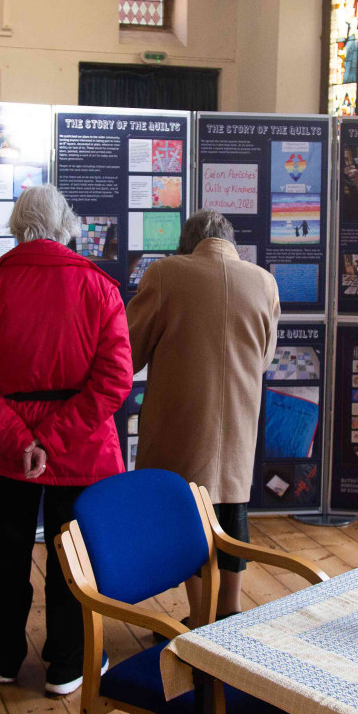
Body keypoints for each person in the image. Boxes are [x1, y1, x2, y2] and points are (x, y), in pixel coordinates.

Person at [0, 183, 132, 696]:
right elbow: (115, 380)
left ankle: (4, 657)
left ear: (16, 226)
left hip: (5, 446)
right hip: (81, 443)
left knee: (6, 554)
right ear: (64, 225)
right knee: (71, 554)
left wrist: (21, 440)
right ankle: (67, 664)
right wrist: (51, 440)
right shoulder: (100, 288)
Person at [127, 209, 280, 623]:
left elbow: (130, 349)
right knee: (231, 511)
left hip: (181, 421)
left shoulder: (166, 274)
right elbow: (264, 358)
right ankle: (230, 611)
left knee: (187, 518)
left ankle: (199, 618)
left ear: (188, 242)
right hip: (238, 422)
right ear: (230, 241)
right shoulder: (264, 281)